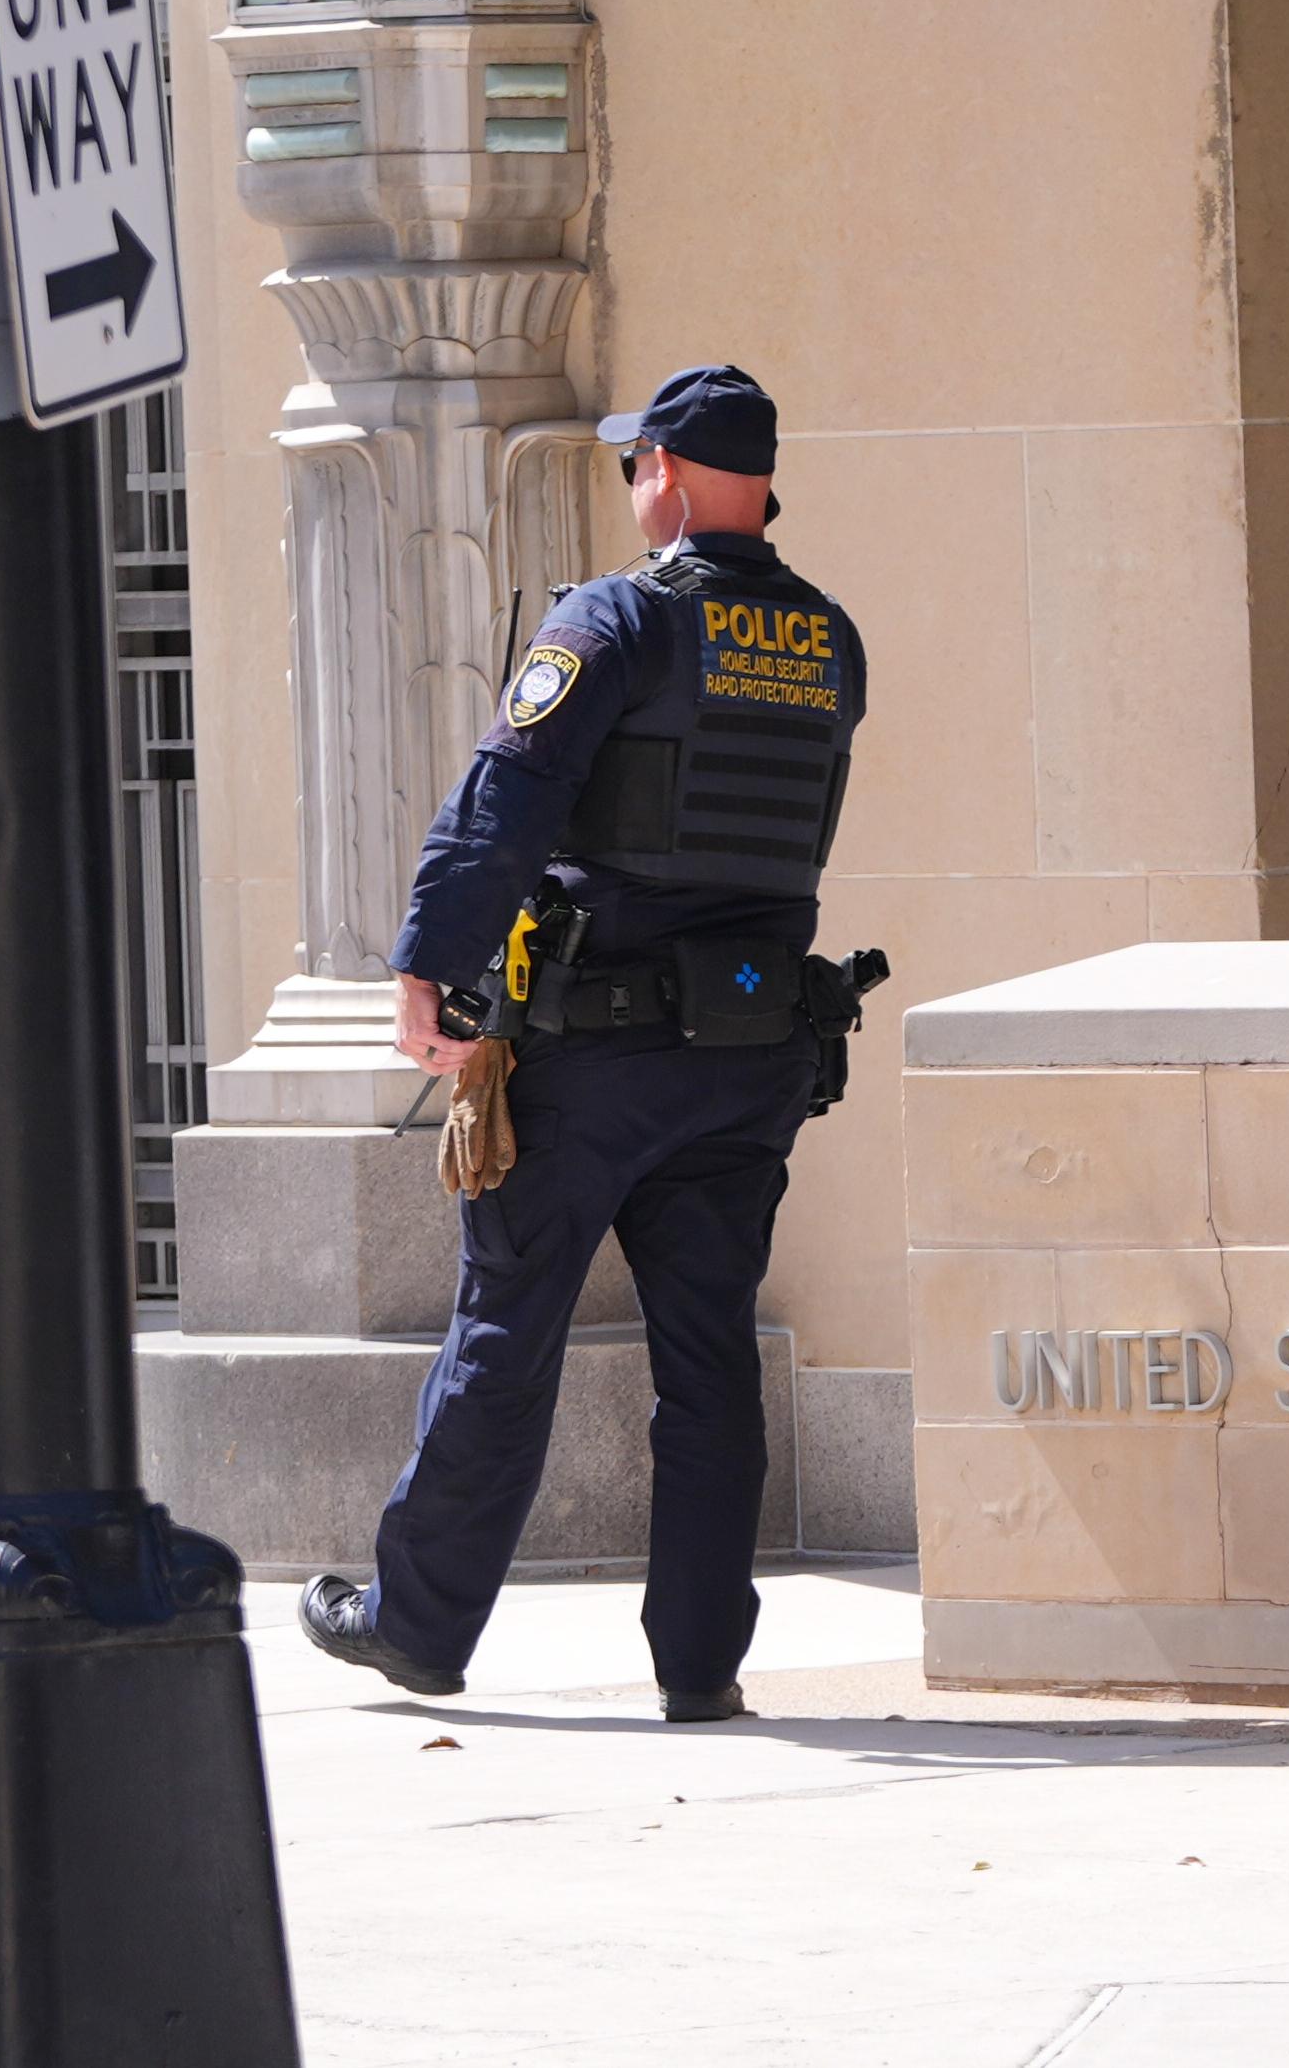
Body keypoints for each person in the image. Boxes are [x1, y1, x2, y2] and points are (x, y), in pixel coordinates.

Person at [296, 364, 870, 1723]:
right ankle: (700, 1660)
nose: (632, 491)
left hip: (597, 1051)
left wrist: (430, 966)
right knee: (709, 1356)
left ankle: (419, 1623)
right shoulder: (831, 639)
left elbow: (507, 795)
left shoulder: (612, 618)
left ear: (663, 470)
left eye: (633, 467)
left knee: (506, 1329)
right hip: (750, 1052)